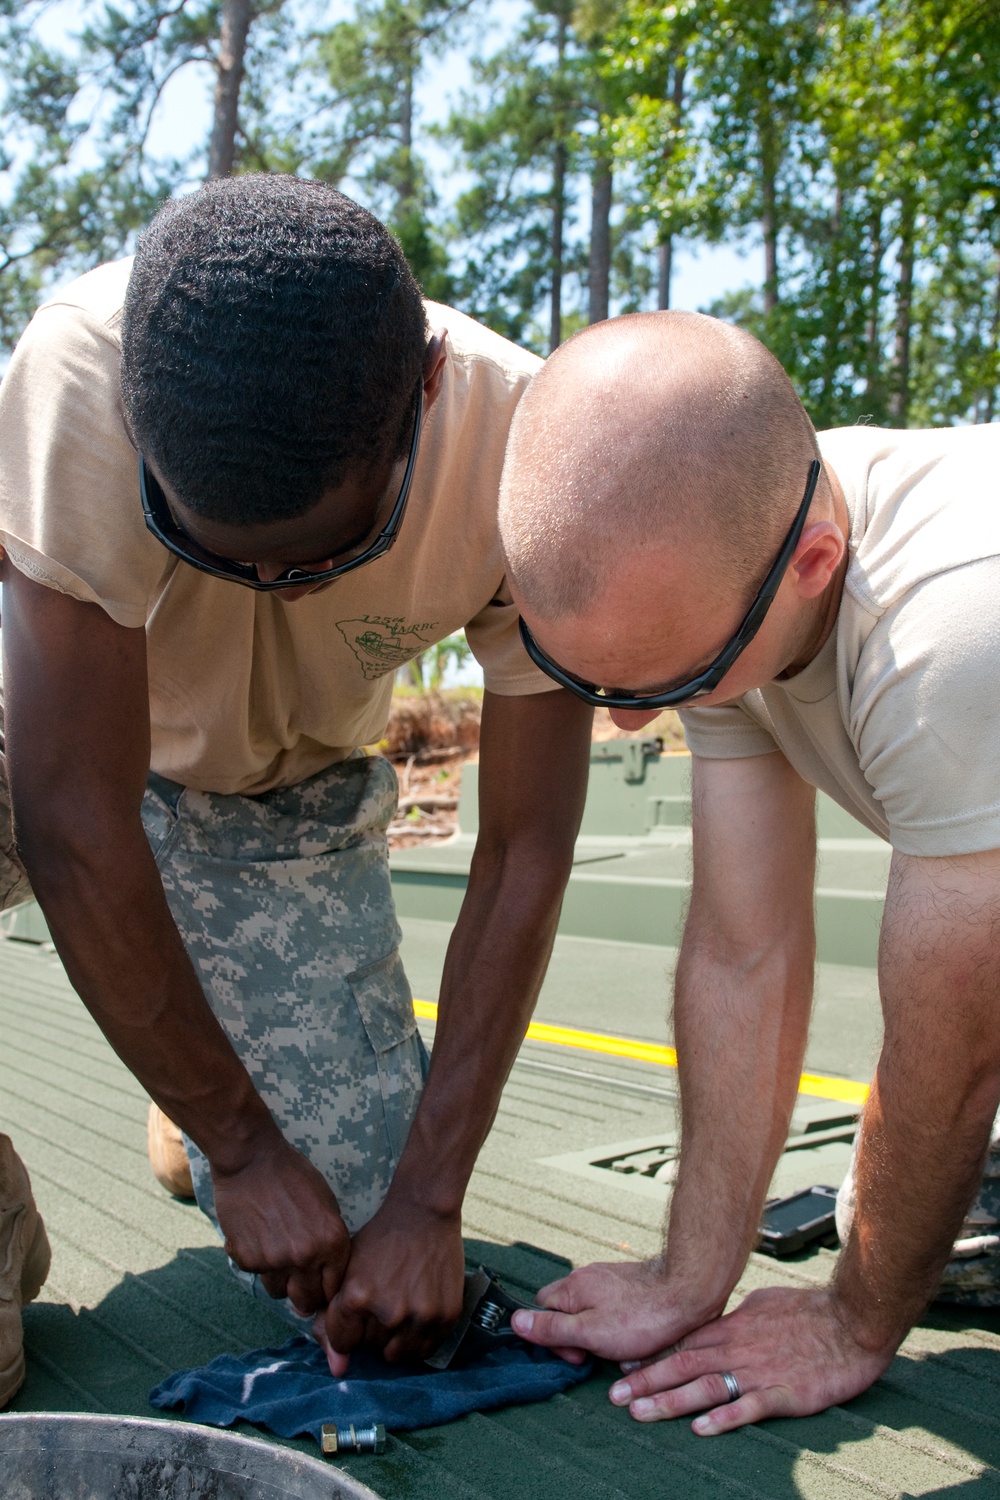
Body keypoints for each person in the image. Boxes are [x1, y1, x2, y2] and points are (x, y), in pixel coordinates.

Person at [0, 174, 593, 1408]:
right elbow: (71, 819)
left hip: (273, 802)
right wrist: (247, 1144)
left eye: (329, 552)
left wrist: (430, 1194)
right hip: (41, 753)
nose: (269, 581)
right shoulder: (77, 374)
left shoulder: (530, 445)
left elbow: (525, 844)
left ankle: (196, 1079)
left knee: (375, 1267)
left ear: (422, 392)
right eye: (214, 548)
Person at [496, 309, 1000, 1435]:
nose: (628, 724)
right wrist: (691, 1269)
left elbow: (955, 1055)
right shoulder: (738, 576)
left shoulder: (958, 628)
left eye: (664, 682)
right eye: (586, 682)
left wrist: (851, 1321)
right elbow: (743, 946)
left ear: (814, 566)